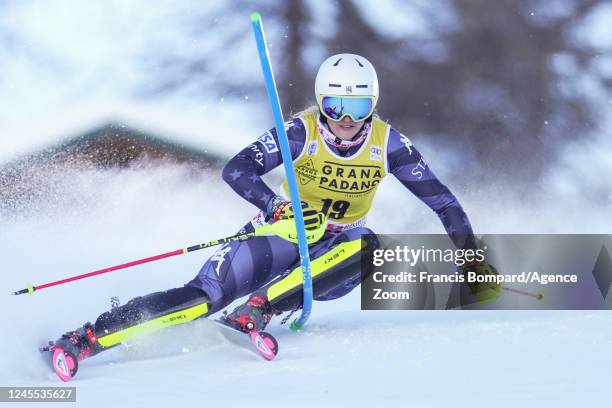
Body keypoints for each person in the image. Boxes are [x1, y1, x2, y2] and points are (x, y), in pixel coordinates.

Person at [44, 53, 499, 378]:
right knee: (201, 299)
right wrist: (274, 204)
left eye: (357, 107)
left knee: (366, 243)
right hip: (280, 233)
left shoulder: (388, 143)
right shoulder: (299, 132)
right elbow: (236, 168)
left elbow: (442, 200)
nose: (344, 119)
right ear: (322, 102)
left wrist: (471, 258)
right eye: (335, 105)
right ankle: (84, 340)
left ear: (372, 106)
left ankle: (258, 311)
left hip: (334, 254)